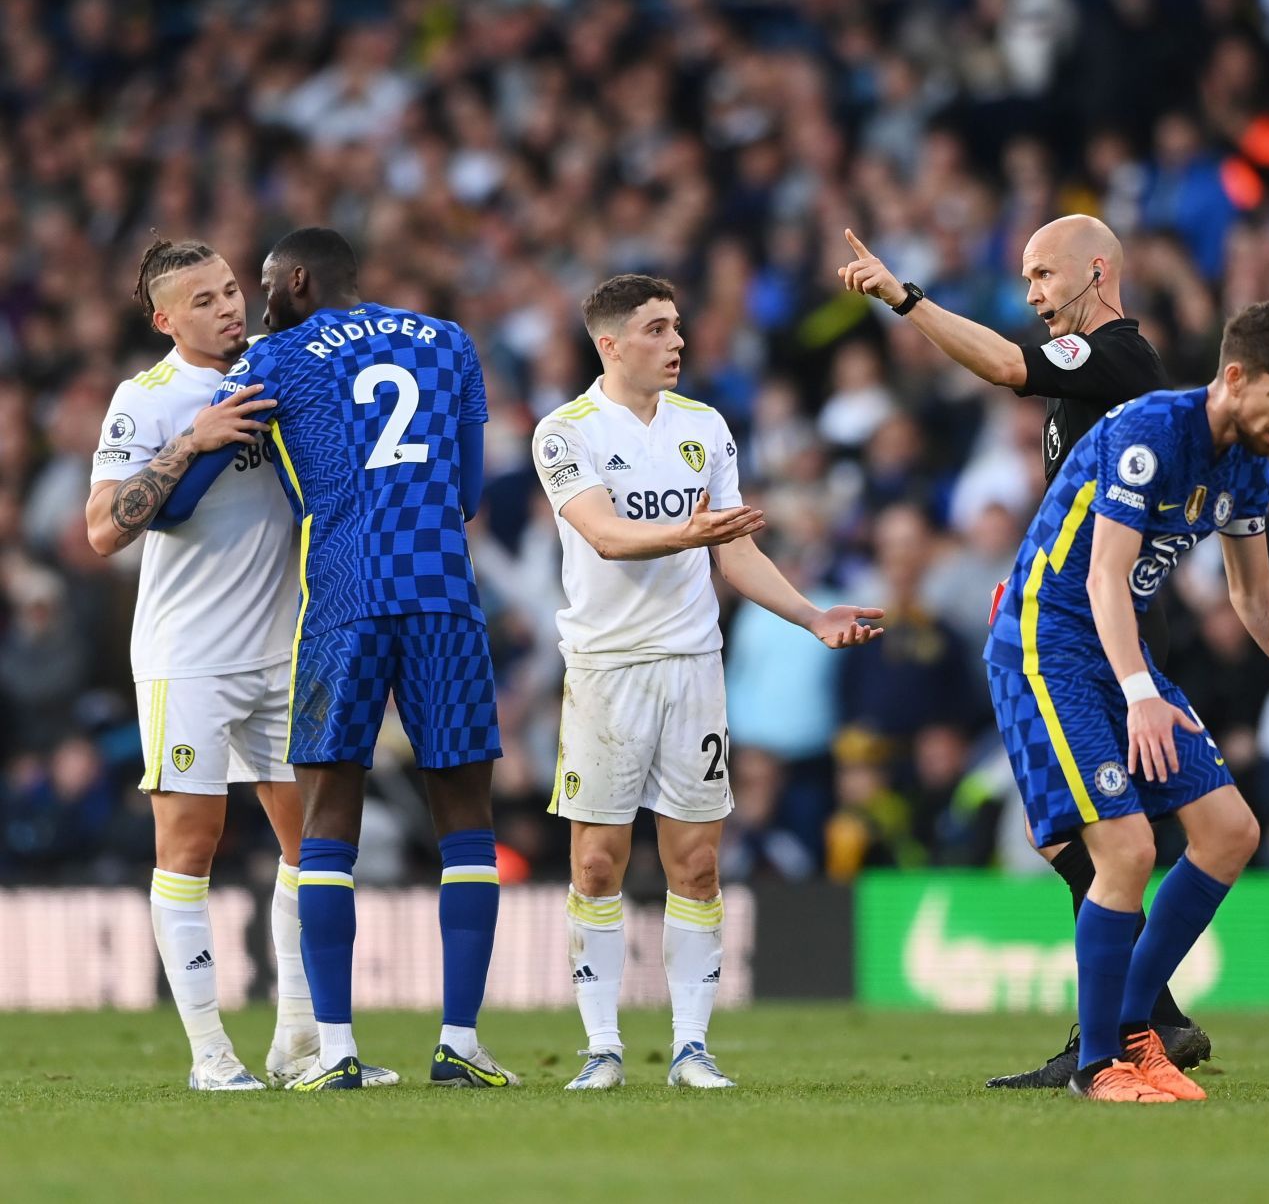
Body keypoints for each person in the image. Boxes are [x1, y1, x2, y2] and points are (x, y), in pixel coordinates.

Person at [840, 214, 1208, 1088]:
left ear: (1096, 269)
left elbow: (1005, 365)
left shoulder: (1120, 356)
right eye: (1027, 279)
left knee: (1100, 836)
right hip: (1070, 623)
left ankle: (1123, 1032)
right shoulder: (1086, 374)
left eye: (1044, 276)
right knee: (1069, 837)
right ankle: (1146, 1016)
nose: (1034, 294)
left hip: (1093, 635)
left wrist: (905, 298)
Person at [984, 301, 1269, 1102]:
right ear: (1234, 377)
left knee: (1230, 832)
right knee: (1128, 851)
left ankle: (1134, 1029)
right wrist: (1140, 695)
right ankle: (1098, 1067)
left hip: (1115, 648)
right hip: (1048, 643)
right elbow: (1101, 578)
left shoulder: (1246, 467)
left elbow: (1258, 601)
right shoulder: (1151, 435)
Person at [171, 227, 509, 1090]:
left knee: (326, 823)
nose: (256, 302)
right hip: (442, 590)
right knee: (465, 823)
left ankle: (338, 1050)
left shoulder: (277, 359)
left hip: (348, 596)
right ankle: (461, 1043)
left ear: (296, 279)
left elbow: (180, 501)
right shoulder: (449, 341)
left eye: (262, 284)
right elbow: (469, 494)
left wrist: (201, 443)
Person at [534, 275, 884, 1091]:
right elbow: (607, 537)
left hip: (693, 666)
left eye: (679, 326)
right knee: (596, 865)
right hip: (606, 669)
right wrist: (685, 531)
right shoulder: (567, 432)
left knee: (695, 863)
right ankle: (603, 1048)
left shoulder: (705, 427)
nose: (677, 342)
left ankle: (691, 1047)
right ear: (610, 344)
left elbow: (733, 550)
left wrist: (810, 615)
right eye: (657, 329)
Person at [82, 238, 331, 1090]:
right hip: (188, 654)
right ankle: (209, 1054)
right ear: (164, 319)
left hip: (283, 646)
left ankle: (300, 1040)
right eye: (203, 301)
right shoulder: (146, 398)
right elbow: (101, 529)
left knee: (313, 840)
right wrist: (190, 443)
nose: (227, 307)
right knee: (192, 843)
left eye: (230, 290)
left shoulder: (279, 365)